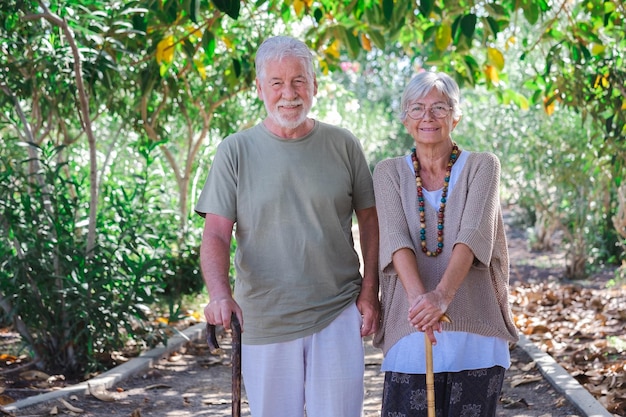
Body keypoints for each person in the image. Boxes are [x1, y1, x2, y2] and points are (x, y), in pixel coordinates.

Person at [195, 36, 380, 417]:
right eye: (277, 82)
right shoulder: (235, 151)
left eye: (299, 81)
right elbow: (215, 233)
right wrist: (219, 294)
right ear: (260, 88)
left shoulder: (343, 144)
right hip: (264, 318)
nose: (289, 93)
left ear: (314, 85)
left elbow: (371, 220)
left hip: (337, 311)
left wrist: (369, 291)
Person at [372, 71, 519, 416]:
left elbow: (473, 234)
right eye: (417, 108)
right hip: (411, 329)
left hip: (475, 335)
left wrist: (441, 297)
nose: (428, 117)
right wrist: (422, 306)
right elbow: (395, 240)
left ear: (456, 115)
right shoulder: (388, 172)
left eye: (440, 107)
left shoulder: (483, 166)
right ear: (405, 118)